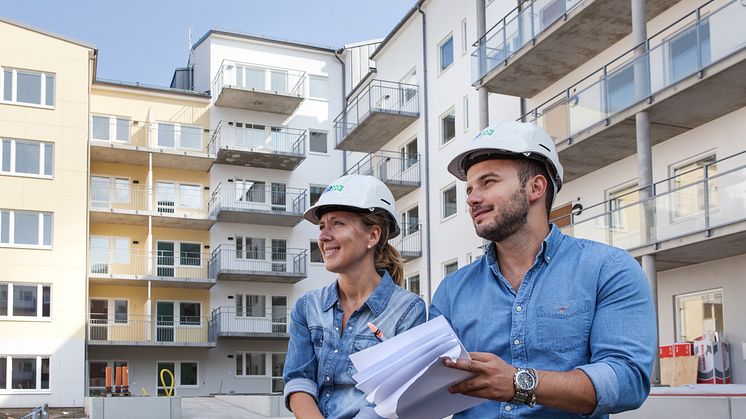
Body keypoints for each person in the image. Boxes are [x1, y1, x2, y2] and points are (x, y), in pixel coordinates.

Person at [430, 122, 657, 418]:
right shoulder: (451, 290)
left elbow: (627, 381)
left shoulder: (608, 269)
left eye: (488, 182)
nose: (472, 199)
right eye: (470, 189)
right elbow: (430, 384)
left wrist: (517, 382)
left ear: (535, 187)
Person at [283, 174, 427, 419]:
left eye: (337, 223)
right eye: (321, 226)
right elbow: (298, 380)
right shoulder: (308, 307)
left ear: (372, 236)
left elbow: (390, 401)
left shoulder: (408, 310)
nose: (324, 236)